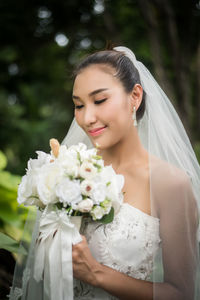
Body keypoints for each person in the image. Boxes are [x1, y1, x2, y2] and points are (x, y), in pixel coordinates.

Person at [10, 46, 200, 300]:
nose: (87, 117)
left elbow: (182, 293)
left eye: (99, 101)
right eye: (78, 105)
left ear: (135, 96)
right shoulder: (67, 171)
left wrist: (96, 273)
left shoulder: (170, 183)